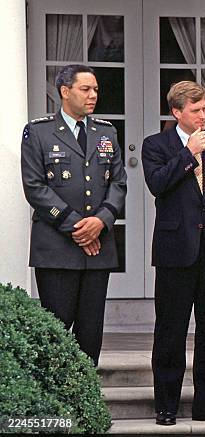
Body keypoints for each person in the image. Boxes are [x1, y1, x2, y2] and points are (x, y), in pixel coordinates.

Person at [142, 81, 205, 426]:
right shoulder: (156, 145)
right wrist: (189, 154)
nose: (204, 116)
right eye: (196, 110)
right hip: (175, 251)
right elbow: (157, 184)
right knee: (170, 329)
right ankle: (166, 405)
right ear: (176, 112)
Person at [20, 64, 127, 367]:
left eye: (95, 89)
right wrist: (78, 227)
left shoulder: (106, 131)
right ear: (65, 92)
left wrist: (101, 221)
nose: (93, 95)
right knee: (57, 328)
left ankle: (86, 398)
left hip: (98, 247)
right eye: (86, 89)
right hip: (56, 247)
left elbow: (118, 183)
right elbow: (34, 187)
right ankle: (59, 398)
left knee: (91, 330)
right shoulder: (38, 131)